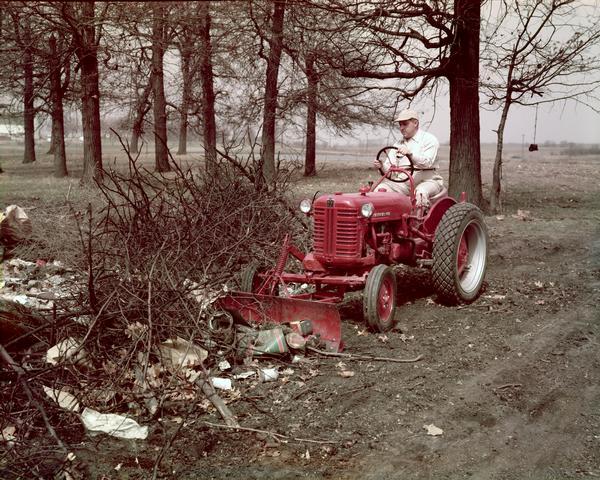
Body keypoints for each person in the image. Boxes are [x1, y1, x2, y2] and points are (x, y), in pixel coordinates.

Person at [373, 109, 444, 207]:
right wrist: (381, 166)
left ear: (415, 123)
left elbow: (427, 163)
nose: (401, 128)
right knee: (380, 189)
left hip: (428, 180)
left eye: (405, 124)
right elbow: (389, 170)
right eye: (400, 125)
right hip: (404, 183)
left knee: (420, 193)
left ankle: (419, 221)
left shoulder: (429, 140)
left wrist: (411, 154)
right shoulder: (397, 144)